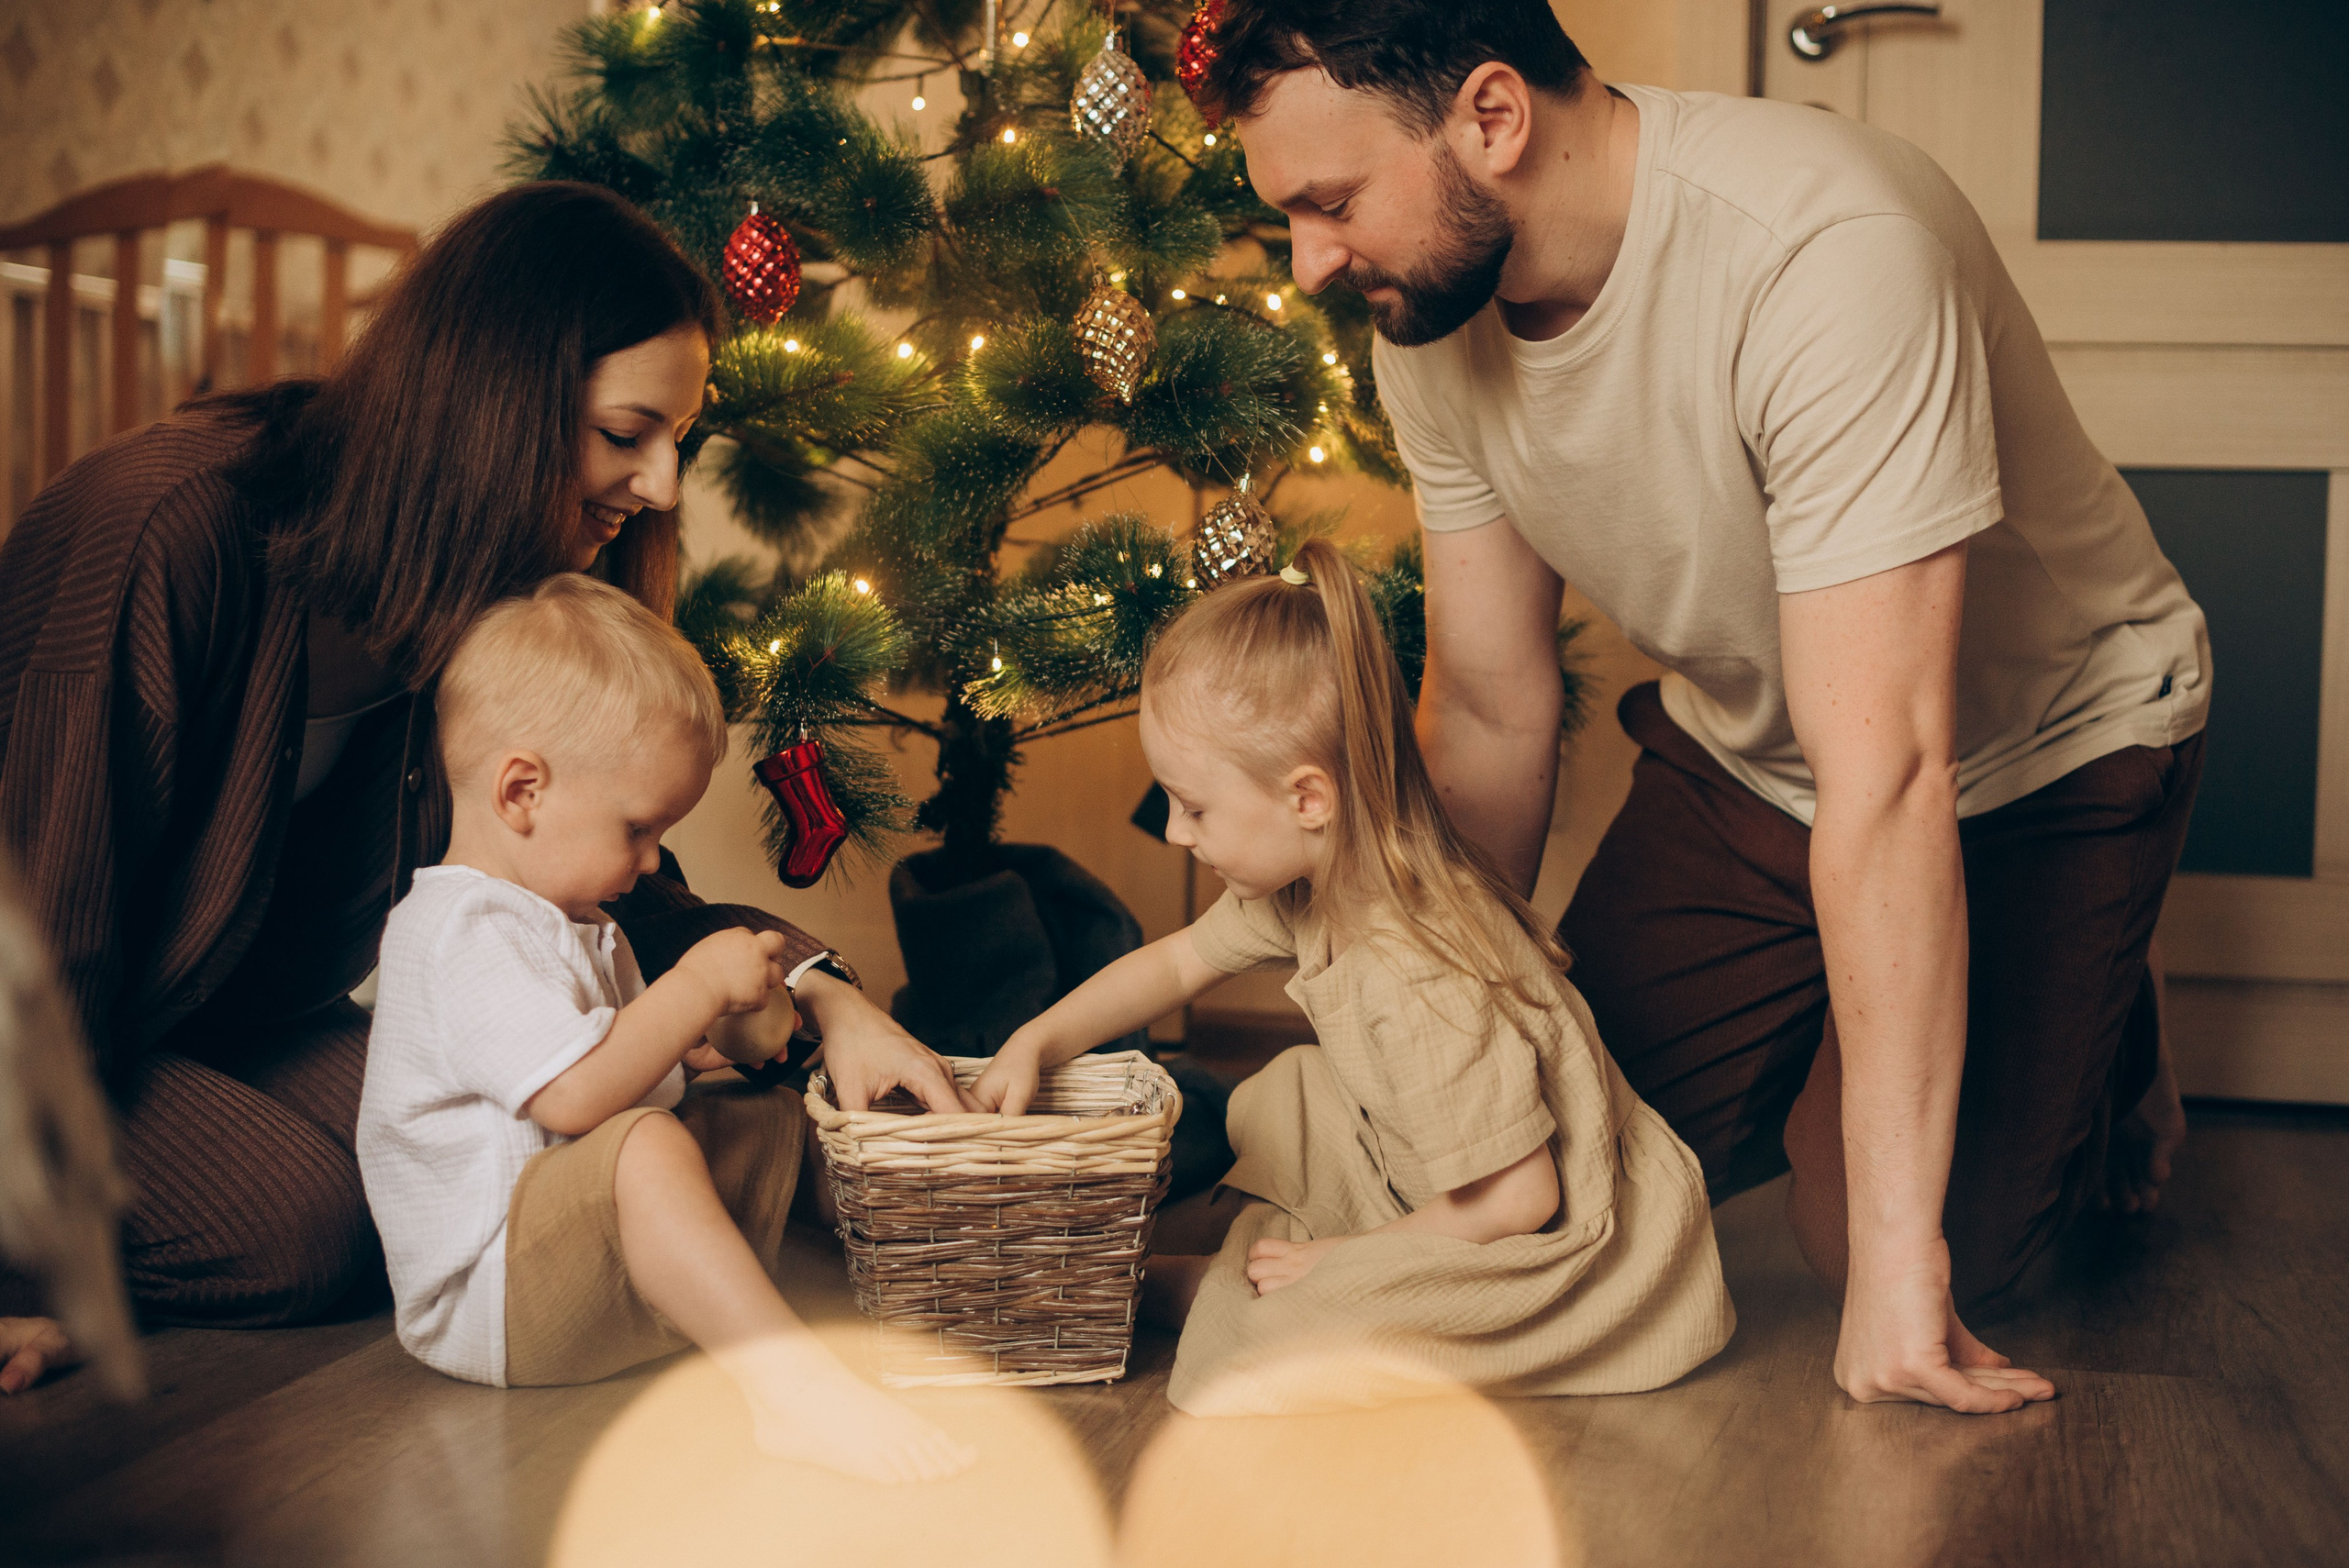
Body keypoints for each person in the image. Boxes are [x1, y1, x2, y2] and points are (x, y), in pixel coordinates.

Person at [1196, 1, 2210, 1414]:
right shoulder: (1429, 313)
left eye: (1332, 203)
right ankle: (1929, 1013)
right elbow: (1491, 706)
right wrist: (1444, 1026)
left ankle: (2111, 1020)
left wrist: (1895, 1273)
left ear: (1493, 119)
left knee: (1894, 1245)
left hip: (2040, 749)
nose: (1310, 259)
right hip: (1760, 753)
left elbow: (1896, 776)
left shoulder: (1830, 256)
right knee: (1561, 1163)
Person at [0, 182, 963, 1395]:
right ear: (494, 403)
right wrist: (45, 1274)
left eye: (677, 442)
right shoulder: (163, 534)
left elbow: (614, 879)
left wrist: (824, 996)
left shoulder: (488, 598)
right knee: (314, 1227)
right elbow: (35, 940)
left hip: (214, 1026)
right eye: (625, 436)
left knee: (475, 1161)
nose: (663, 488)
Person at [970, 539, 1733, 1416]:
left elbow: (1523, 1197)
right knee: (1296, 1093)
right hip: (1441, 1173)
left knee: (1262, 1359)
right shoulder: (1316, 875)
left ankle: (1186, 1294)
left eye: (1195, 807)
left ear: (1307, 799)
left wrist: (1344, 1260)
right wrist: (1039, 1038)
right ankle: (1236, 1277)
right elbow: (1178, 961)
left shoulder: (1418, 972)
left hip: (1547, 1241)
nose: (1176, 833)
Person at [361, 575, 969, 1483]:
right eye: (639, 828)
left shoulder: (571, 917)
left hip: (579, 1259)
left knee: (762, 1115)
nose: (652, 862)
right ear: (520, 789)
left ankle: (935, 1288)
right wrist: (688, 989)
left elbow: (618, 1067)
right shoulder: (458, 928)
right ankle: (790, 1387)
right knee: (646, 1145)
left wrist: (699, 1046)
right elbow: (573, 1100)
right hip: (492, 1299)